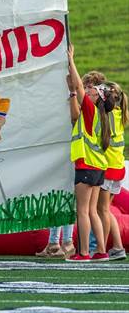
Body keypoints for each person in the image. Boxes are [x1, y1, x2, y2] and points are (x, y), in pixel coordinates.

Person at [66, 46, 114, 262]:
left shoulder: (91, 110)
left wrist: (71, 60)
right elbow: (76, 96)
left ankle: (84, 252)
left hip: (86, 166)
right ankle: (101, 251)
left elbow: (78, 86)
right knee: (93, 211)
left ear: (98, 98)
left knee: (83, 211)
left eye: (93, 92)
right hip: (98, 167)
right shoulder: (102, 115)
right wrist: (72, 92)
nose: (89, 91)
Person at [36, 73, 78, 259]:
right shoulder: (58, 105)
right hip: (61, 157)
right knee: (59, 200)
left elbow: (74, 119)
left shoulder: (74, 104)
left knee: (63, 200)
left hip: (69, 158)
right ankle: (57, 242)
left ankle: (63, 242)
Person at [97, 81, 127, 260]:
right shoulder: (120, 113)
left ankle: (101, 248)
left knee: (102, 211)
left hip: (108, 168)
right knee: (105, 210)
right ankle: (117, 246)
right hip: (118, 167)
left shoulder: (105, 115)